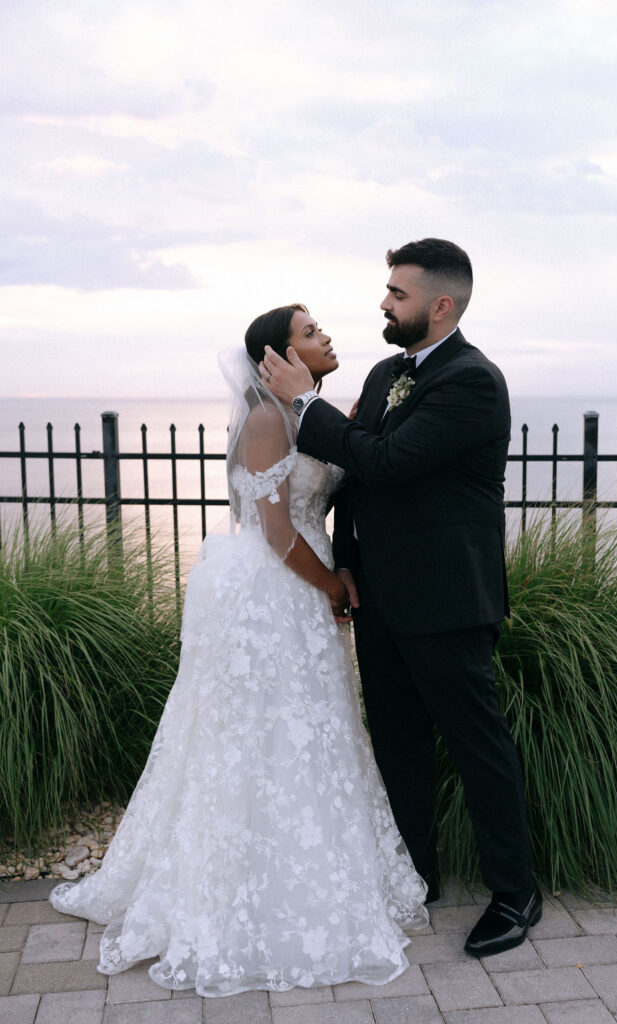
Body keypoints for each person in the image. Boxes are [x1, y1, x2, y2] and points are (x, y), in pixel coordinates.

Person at [48, 303, 428, 998]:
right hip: (275, 590)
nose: (326, 337)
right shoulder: (264, 420)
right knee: (254, 735)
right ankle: (235, 880)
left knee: (309, 732)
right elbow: (278, 531)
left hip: (299, 590)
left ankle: (299, 861)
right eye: (310, 333)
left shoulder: (308, 412)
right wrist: (334, 586)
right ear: (274, 358)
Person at [260, 238, 542, 958]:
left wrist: (305, 404)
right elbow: (353, 484)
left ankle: (515, 893)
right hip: (379, 597)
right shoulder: (389, 370)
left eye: (396, 293)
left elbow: (384, 462)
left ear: (439, 305)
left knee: (478, 748)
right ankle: (417, 875)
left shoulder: (472, 382)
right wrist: (344, 568)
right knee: (398, 745)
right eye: (386, 290)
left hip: (447, 600)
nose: (382, 303)